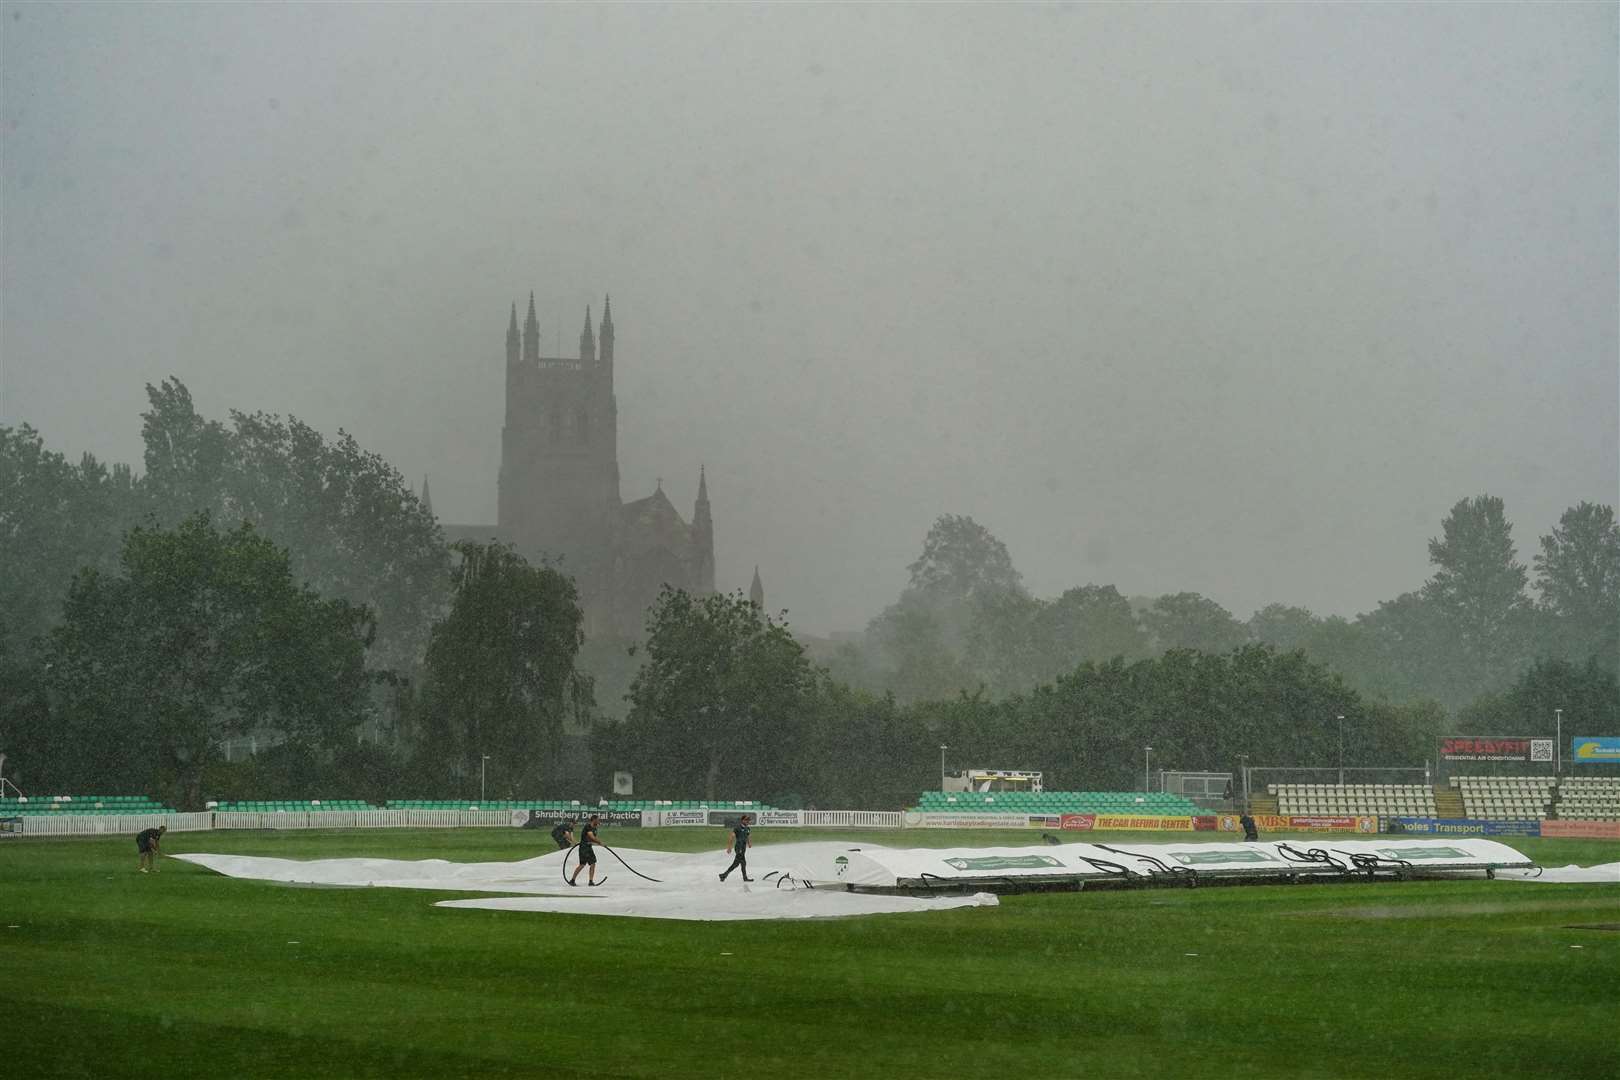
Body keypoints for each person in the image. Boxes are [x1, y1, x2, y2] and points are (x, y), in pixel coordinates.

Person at [568, 814, 603, 886]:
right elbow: (591, 836)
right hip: (584, 847)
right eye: (598, 820)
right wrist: (599, 842)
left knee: (593, 863)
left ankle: (591, 881)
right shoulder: (588, 826)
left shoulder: (595, 829)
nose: (599, 821)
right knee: (582, 864)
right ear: (594, 820)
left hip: (589, 847)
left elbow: (592, 839)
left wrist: (597, 842)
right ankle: (572, 880)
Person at [719, 814, 753, 882]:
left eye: (748, 820)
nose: (747, 821)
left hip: (743, 847)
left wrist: (749, 843)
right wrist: (729, 847)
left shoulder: (748, 828)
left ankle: (724, 875)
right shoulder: (737, 828)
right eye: (746, 820)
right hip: (738, 847)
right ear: (742, 820)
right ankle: (744, 878)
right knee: (742, 862)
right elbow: (731, 837)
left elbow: (748, 836)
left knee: (737, 864)